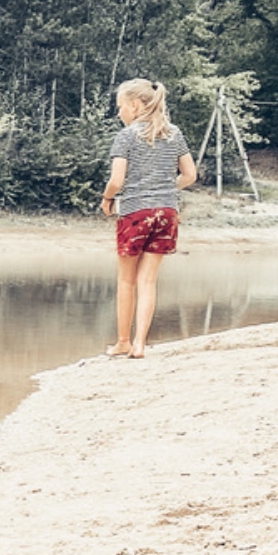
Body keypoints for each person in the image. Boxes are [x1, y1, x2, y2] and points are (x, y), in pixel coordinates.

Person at [102, 77, 196, 357]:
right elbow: (190, 175)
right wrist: (164, 188)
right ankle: (141, 344)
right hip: (166, 212)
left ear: (134, 105)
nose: (119, 113)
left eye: (120, 107)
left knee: (126, 280)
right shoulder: (173, 133)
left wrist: (107, 199)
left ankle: (123, 342)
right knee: (148, 281)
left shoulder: (127, 136)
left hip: (135, 211)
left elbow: (116, 181)